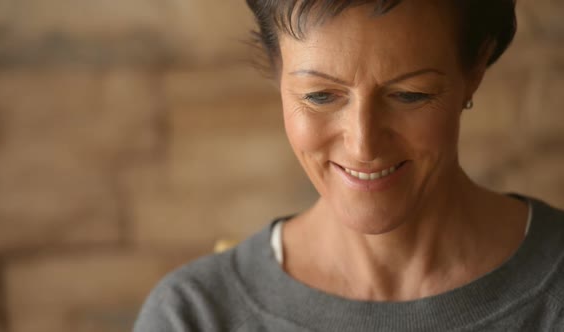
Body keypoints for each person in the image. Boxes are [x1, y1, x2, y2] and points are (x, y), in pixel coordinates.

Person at [134, 0, 564, 330]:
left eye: (410, 94)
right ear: (276, 73)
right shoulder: (196, 315)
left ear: (474, 70)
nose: (364, 145)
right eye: (320, 96)